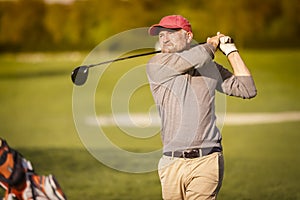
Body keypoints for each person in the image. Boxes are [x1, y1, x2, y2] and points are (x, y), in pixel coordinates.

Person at [146, 15, 257, 200]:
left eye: (171, 33)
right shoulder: (157, 65)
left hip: (206, 159)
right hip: (171, 161)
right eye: (161, 35)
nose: (164, 38)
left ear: (188, 36)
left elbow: (247, 89)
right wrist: (213, 44)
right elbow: (198, 55)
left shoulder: (208, 67)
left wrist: (230, 50)